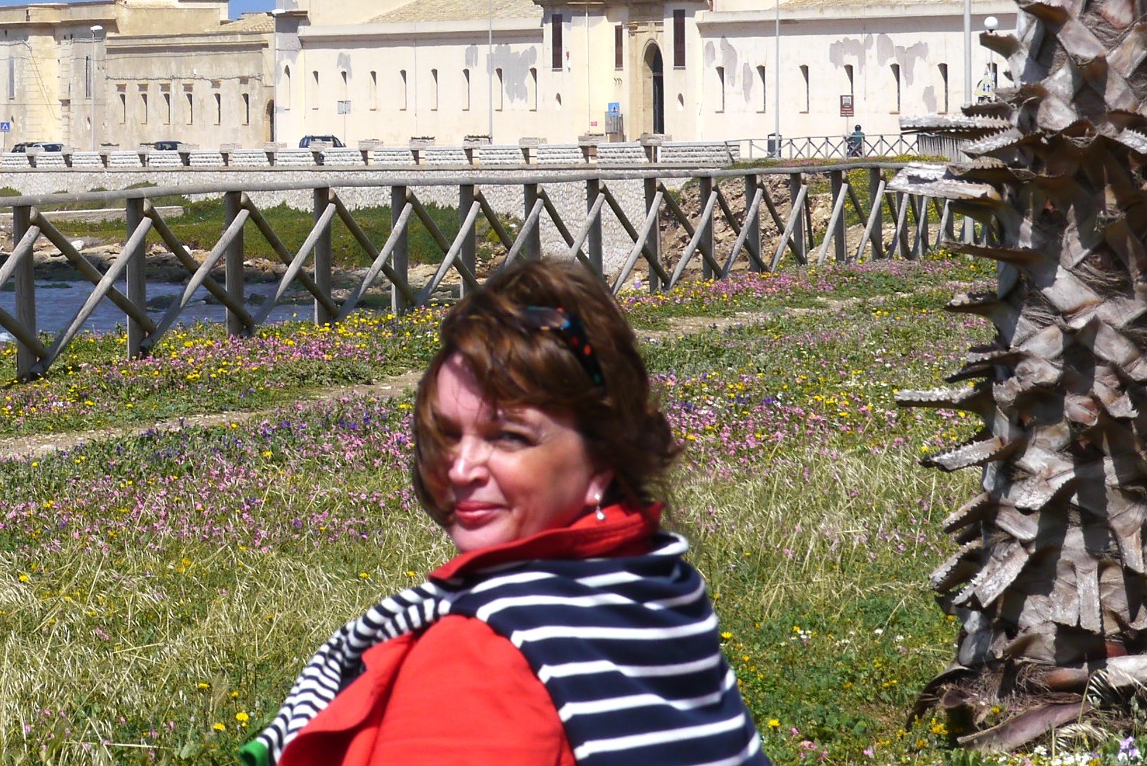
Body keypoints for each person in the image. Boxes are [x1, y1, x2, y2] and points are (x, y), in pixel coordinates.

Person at [239, 258, 770, 766]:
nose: (460, 467)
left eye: (509, 436)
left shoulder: (481, 655)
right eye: (447, 434)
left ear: (602, 457)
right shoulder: (659, 588)